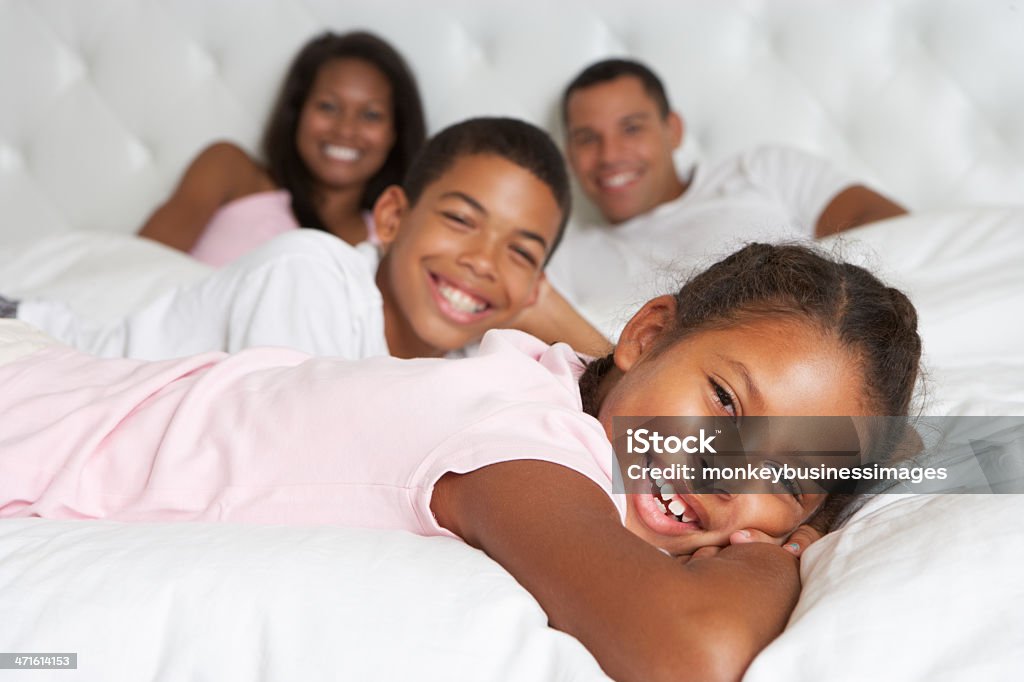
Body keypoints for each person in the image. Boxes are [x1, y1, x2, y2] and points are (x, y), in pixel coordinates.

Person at [0, 242, 922, 681]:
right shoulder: (523, 439)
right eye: (723, 404)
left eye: (786, 478)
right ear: (646, 334)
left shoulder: (557, 391)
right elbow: (689, 651)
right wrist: (773, 551)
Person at [6, 117, 574, 360]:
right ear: (392, 217)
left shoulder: (480, 361)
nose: (481, 260)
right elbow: (299, 462)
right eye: (461, 220)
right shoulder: (309, 274)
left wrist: (548, 311)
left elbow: (656, 473)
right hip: (30, 350)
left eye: (520, 251)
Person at [545, 57, 909, 338]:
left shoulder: (761, 171)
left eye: (632, 128)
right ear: (569, 154)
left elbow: (898, 232)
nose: (610, 155)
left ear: (672, 130)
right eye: (587, 138)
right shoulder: (562, 260)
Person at [138, 31, 426, 266]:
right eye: (328, 106)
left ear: (395, 133)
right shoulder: (229, 171)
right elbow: (138, 267)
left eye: (371, 115)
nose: (346, 130)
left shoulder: (392, 236)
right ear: (297, 112)